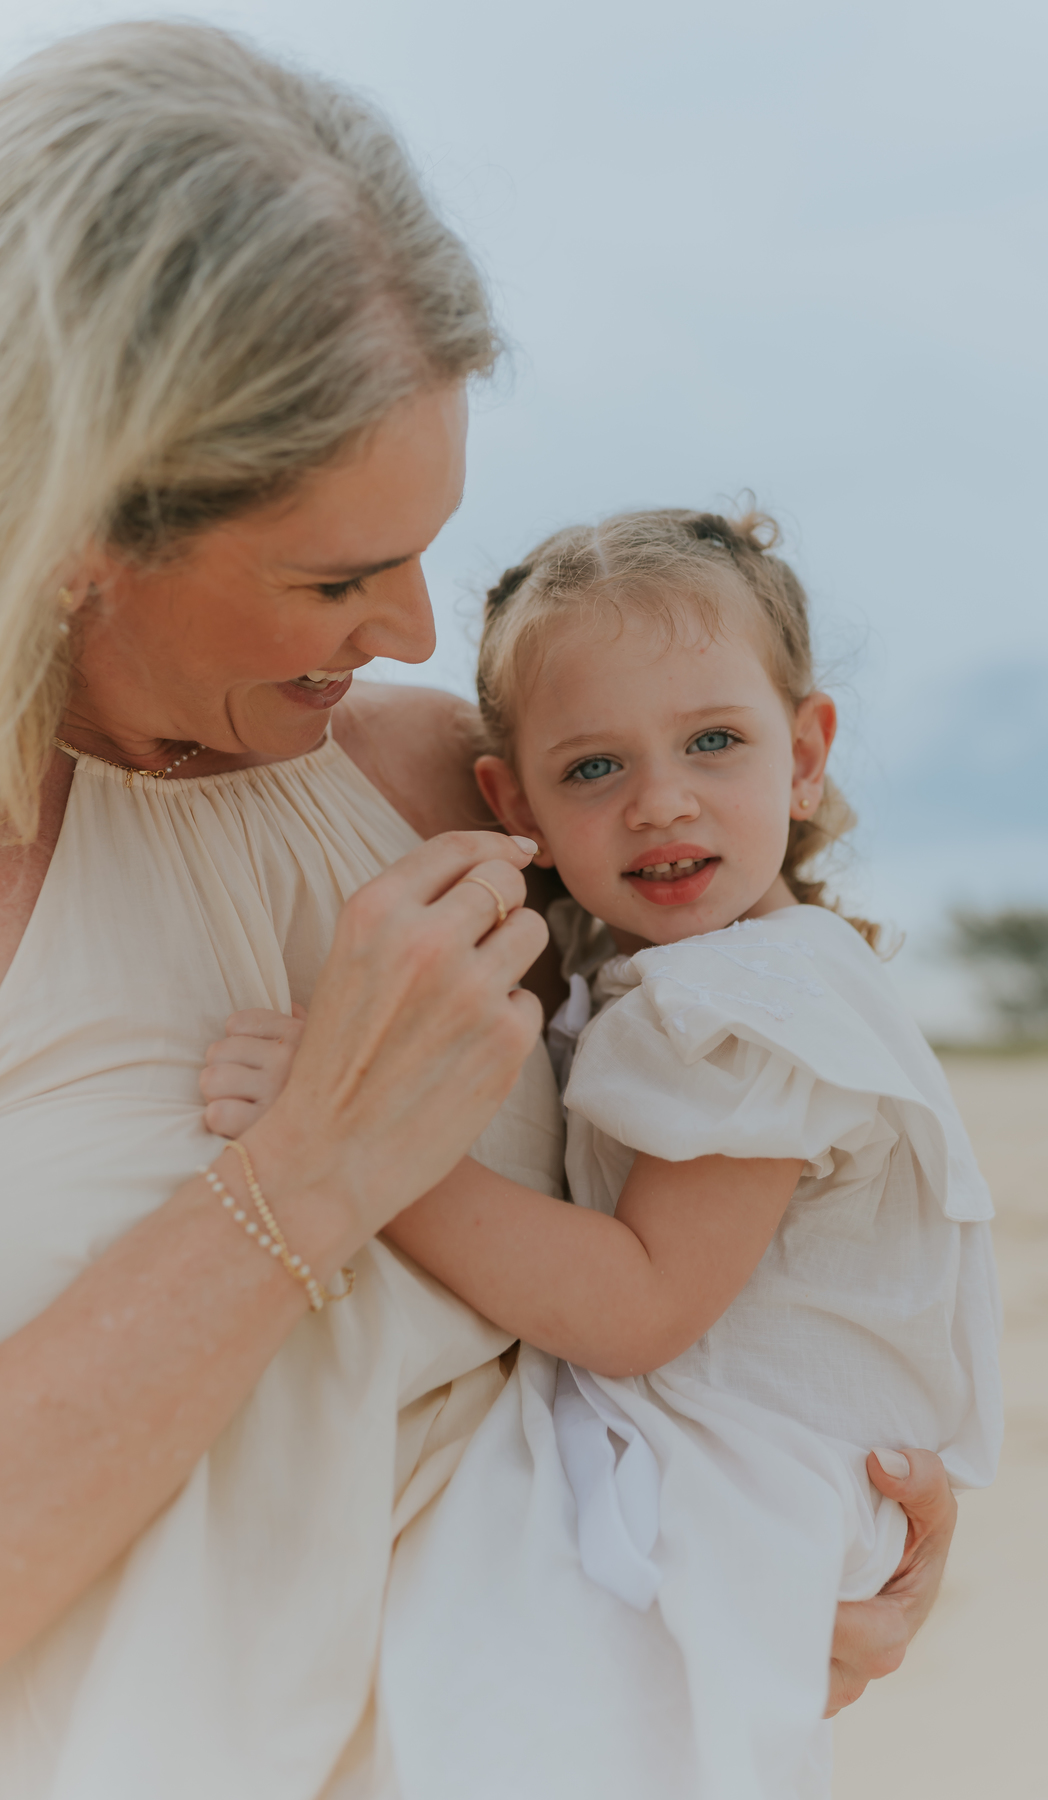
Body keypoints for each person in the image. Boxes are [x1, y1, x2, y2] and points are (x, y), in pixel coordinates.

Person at [0, 20, 961, 1799]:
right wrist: (310, 1165)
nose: (422, 631)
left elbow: (754, 1167)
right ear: (77, 531)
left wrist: (815, 1506)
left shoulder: (461, 790)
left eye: (426, 544)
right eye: (337, 575)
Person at [209, 506, 1002, 1798]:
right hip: (732, 1460)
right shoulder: (681, 973)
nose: (661, 802)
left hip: (733, 1472)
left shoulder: (752, 1008)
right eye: (593, 770)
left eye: (714, 742)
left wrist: (356, 1138)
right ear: (508, 799)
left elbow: (639, 1306)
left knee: (491, 1702)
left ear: (805, 754)